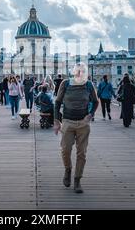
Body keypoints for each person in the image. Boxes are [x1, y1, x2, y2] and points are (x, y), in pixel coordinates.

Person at [53, 63, 99, 194]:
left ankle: (77, 180)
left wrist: (90, 115)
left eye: (82, 71)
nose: (80, 73)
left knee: (81, 153)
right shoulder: (65, 84)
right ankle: (68, 169)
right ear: (74, 72)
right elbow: (57, 103)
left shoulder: (89, 85)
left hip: (83, 123)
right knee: (65, 150)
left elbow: (95, 102)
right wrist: (56, 121)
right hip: (67, 121)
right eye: (78, 71)